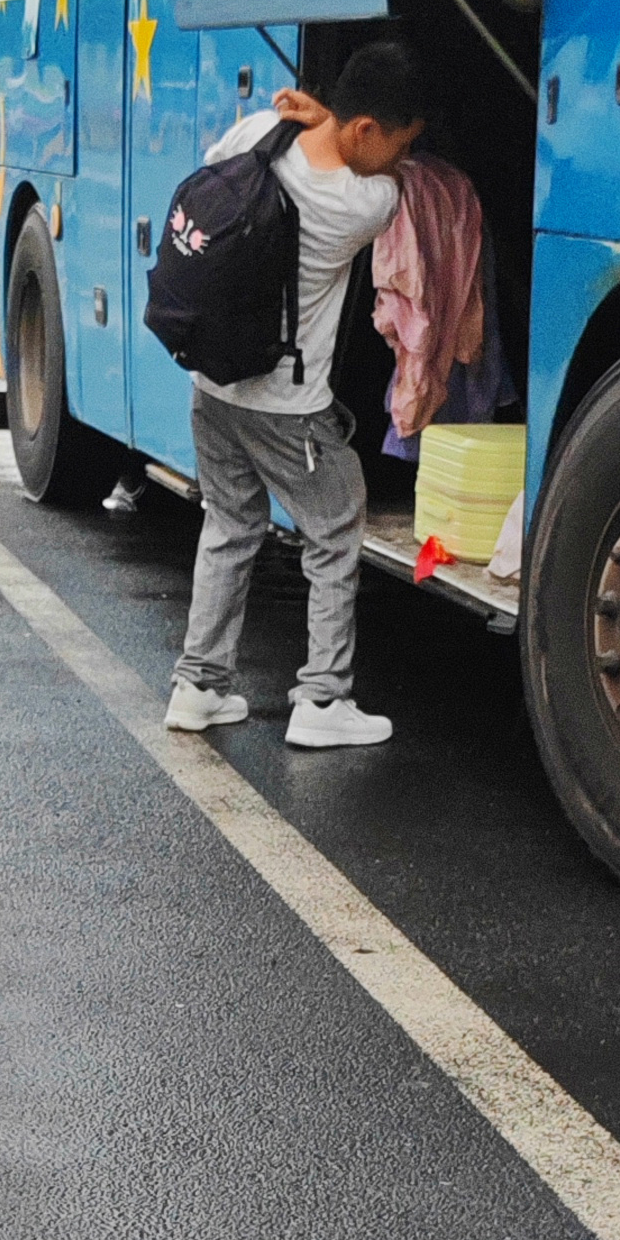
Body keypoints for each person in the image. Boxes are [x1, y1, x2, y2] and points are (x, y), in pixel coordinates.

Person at [165, 42, 427, 749]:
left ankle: (199, 685)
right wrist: (337, 132)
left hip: (212, 381)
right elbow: (391, 184)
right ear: (366, 130)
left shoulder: (257, 130)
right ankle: (322, 698)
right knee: (336, 526)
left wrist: (314, 119)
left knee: (229, 524)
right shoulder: (365, 201)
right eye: (398, 146)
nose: (399, 162)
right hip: (288, 405)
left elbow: (222, 165)